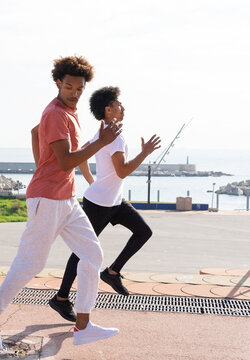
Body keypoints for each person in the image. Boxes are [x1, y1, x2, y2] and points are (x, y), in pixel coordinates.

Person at [0, 56, 122, 350]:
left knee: (92, 256)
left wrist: (42, 166)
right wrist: (100, 143)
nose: (74, 93)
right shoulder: (55, 113)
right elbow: (66, 161)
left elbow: (34, 133)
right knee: (31, 263)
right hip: (47, 199)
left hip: (65, 198)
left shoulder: (68, 113)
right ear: (58, 83)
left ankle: (83, 326)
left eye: (80, 88)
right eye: (69, 87)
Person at [43, 86, 161, 322]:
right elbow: (123, 171)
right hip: (99, 204)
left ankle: (112, 272)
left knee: (143, 232)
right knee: (81, 251)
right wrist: (145, 153)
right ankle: (61, 298)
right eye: (118, 105)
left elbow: (83, 154)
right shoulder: (112, 138)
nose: (123, 108)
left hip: (113, 201)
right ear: (108, 110)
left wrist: (91, 180)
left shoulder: (102, 134)